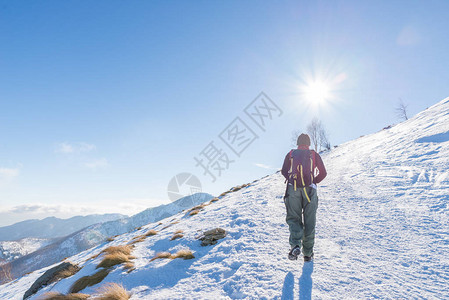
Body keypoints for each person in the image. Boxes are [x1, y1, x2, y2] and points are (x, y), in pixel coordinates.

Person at [281, 133, 327, 261]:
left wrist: (292, 180)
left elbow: (284, 171)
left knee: (294, 218)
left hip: (293, 189)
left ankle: (295, 245)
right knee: (309, 222)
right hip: (310, 191)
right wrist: (313, 181)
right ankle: (307, 254)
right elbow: (323, 173)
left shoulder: (291, 154)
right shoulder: (313, 154)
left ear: (298, 142)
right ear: (308, 143)